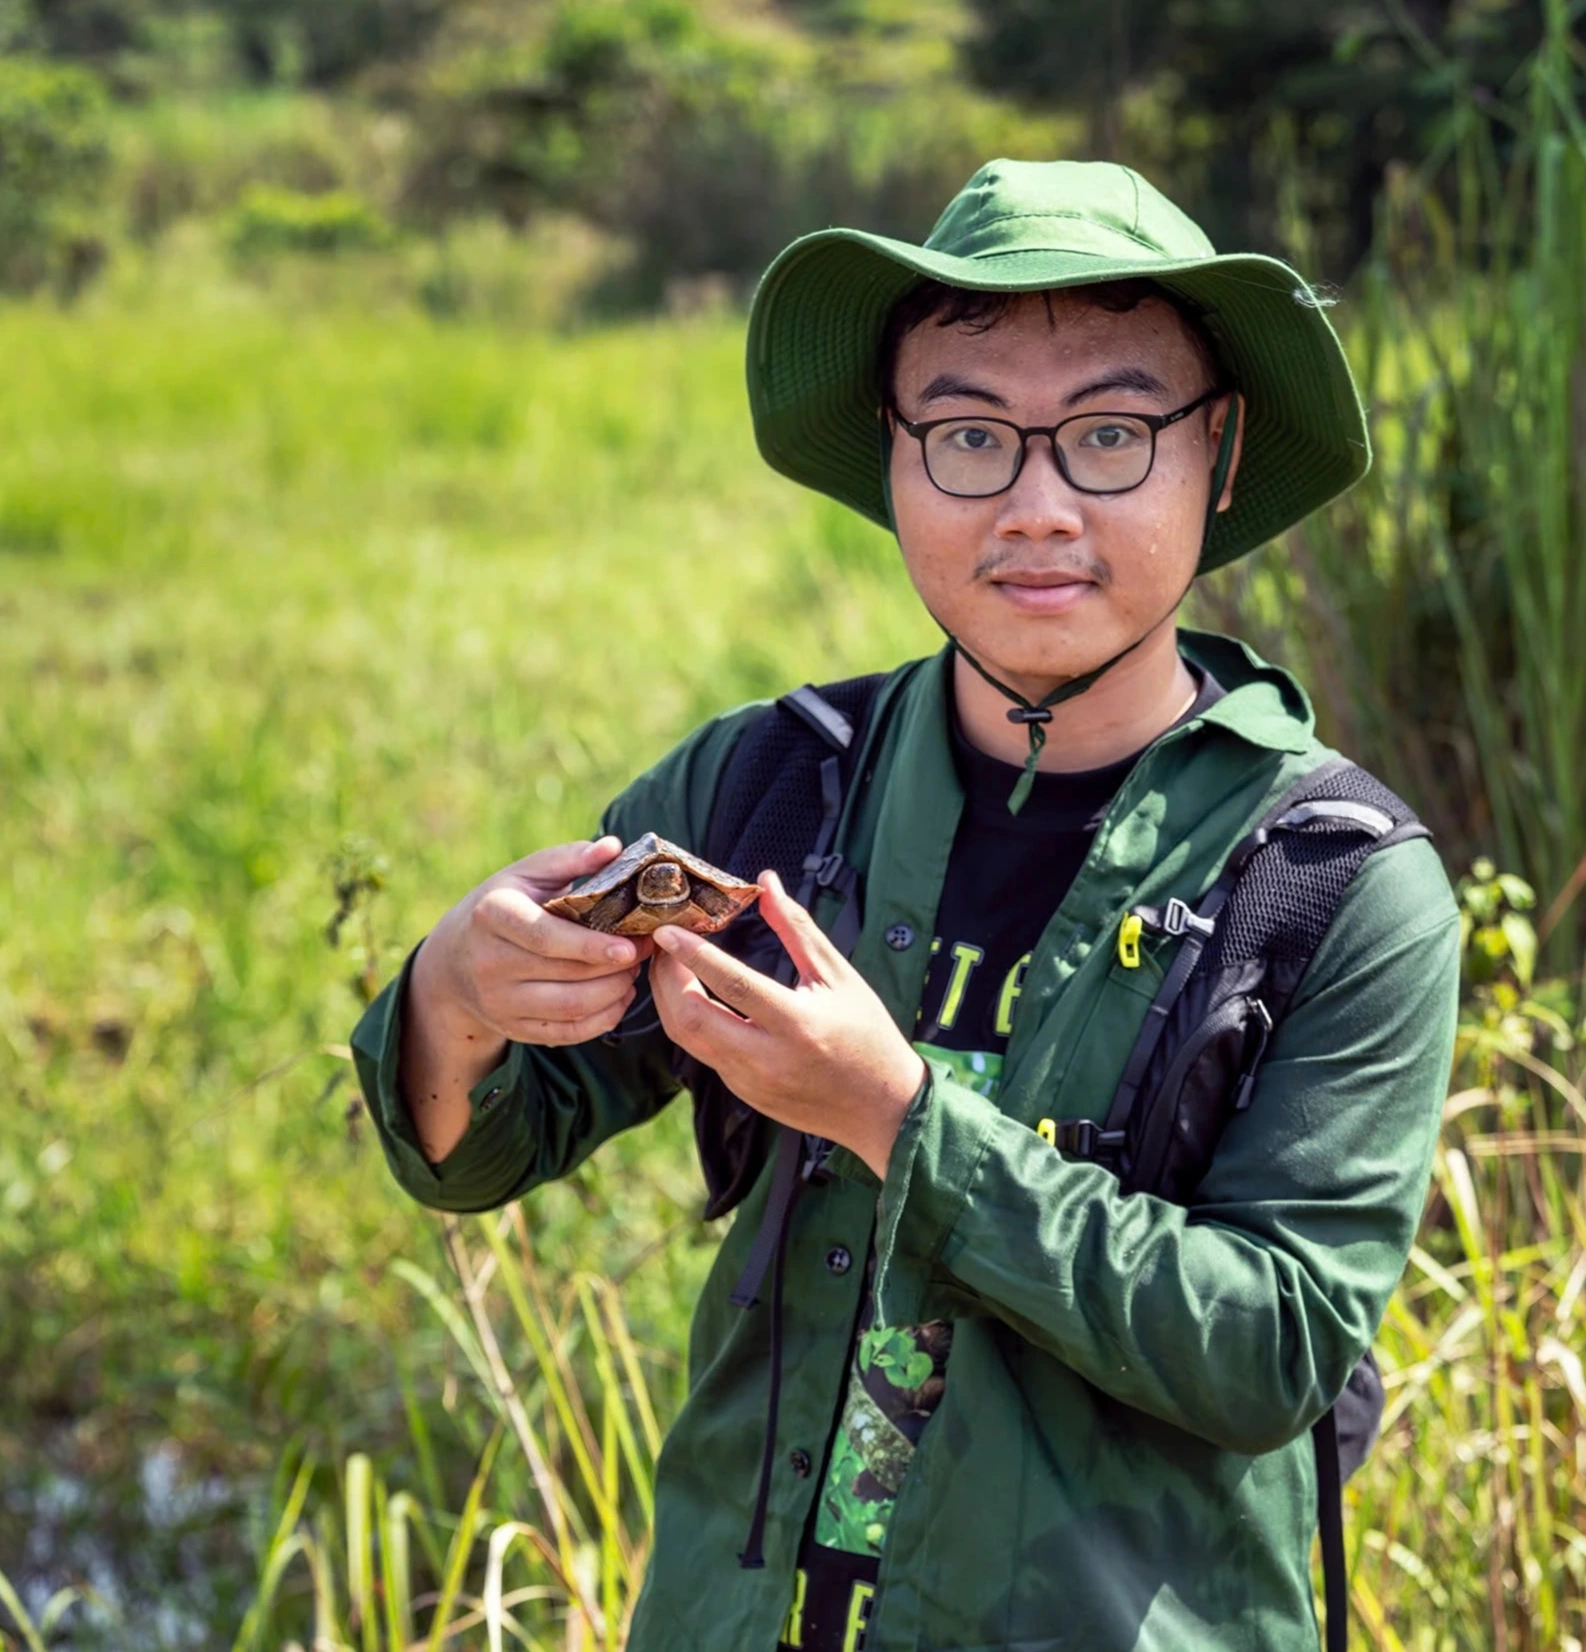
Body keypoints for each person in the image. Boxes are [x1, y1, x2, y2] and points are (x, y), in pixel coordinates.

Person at [352, 159, 1460, 1652]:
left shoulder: (1334, 879)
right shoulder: (765, 792)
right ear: (893, 453)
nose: (1037, 507)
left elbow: (1272, 1347)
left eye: (1113, 435)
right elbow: (480, 1152)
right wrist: (452, 993)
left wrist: (894, 1117)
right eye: (968, 435)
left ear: (1221, 448)